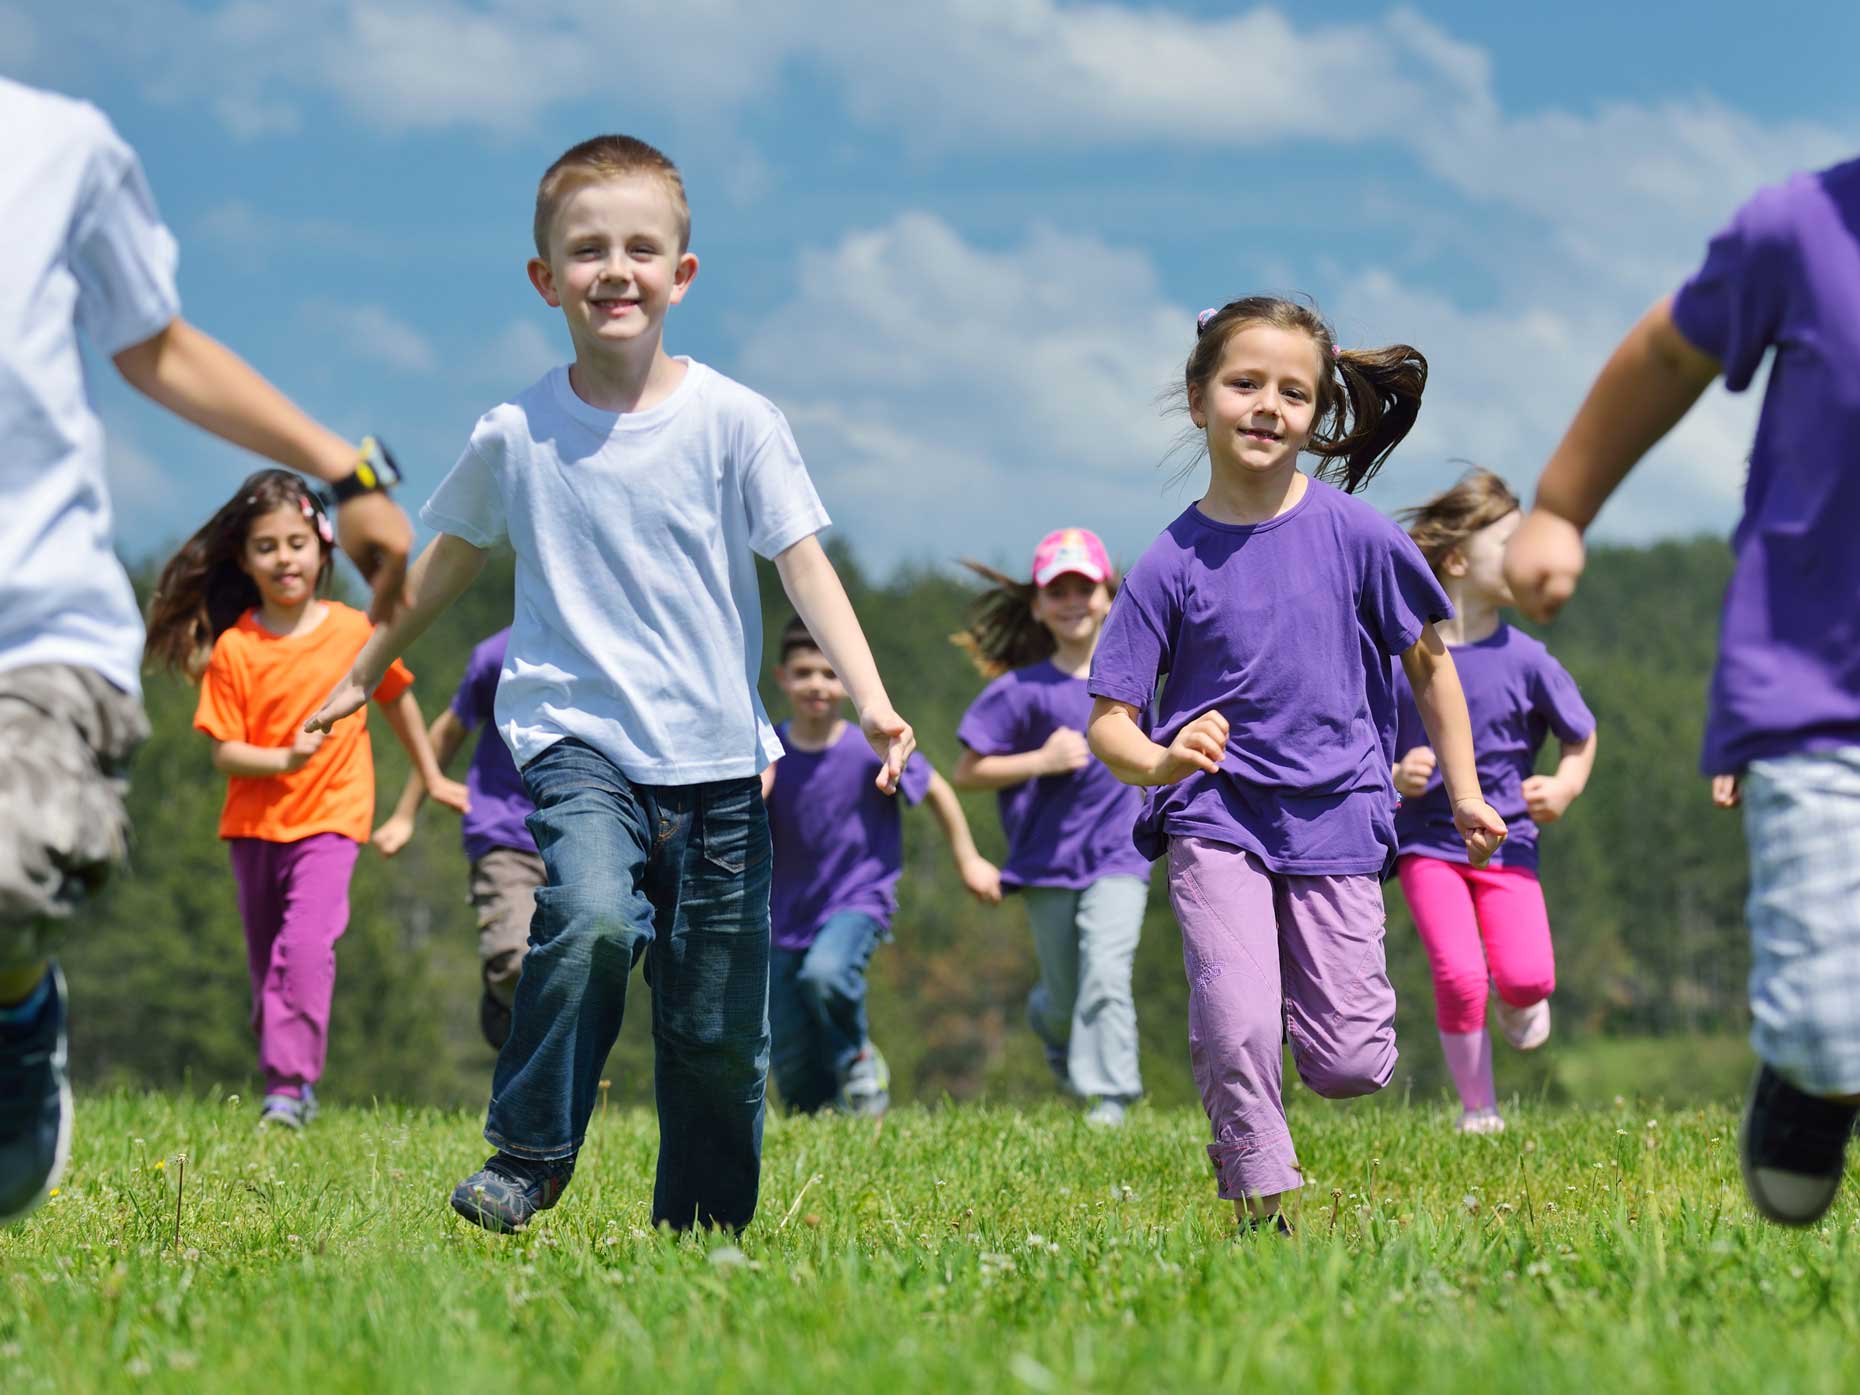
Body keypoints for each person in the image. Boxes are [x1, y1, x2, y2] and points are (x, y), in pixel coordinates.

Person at [305, 134, 914, 1235]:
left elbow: (801, 562)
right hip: (576, 737)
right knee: (586, 918)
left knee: (717, 1024)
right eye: (588, 251)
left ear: (683, 273)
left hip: (722, 757)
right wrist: (359, 671)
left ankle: (702, 1230)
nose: (615, 270)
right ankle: (529, 1153)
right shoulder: (516, 432)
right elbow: (448, 558)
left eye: (642, 249)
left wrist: (871, 700)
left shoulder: (737, 421)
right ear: (546, 279)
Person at [0, 78, 414, 1223]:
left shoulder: (54, 145)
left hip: (30, 622)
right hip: (257, 820)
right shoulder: (236, 648)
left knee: (6, 874)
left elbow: (159, 345)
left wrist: (350, 472)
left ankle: (20, 1012)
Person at [1085, 297, 1506, 1234]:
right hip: (1215, 815)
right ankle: (1260, 1205)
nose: (1268, 404)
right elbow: (1108, 721)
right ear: (1199, 400)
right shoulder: (1168, 562)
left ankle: (1289, 1024)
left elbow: (1430, 667)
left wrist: (1467, 789)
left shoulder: (1357, 534)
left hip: (1338, 814)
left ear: (1317, 415)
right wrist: (1160, 759)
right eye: (1245, 384)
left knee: (1350, 1061)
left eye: (1294, 391)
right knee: (1237, 1024)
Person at [1504, 155, 1860, 1227]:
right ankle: (1810, 1072)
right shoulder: (1800, 229)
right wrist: (1562, 506)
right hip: (1818, 693)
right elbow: (1669, 350)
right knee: (1833, 1024)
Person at [145, 471, 465, 1127]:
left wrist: (429, 777)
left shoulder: (354, 630)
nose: (285, 557)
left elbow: (397, 696)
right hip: (254, 825)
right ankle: (289, 1082)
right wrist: (283, 757)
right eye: (267, 546)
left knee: (305, 950)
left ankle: (288, 1089)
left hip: (332, 819)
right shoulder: (235, 647)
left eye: (297, 542)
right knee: (269, 963)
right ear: (245, 559)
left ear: (324, 548)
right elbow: (224, 751)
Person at [1389, 469, 1597, 1135]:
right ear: (1455, 559)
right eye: (1507, 542)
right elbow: (1363, 741)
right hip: (1427, 844)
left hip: (1511, 846)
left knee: (1529, 977)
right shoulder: (1405, 659)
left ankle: (1520, 996)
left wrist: (1563, 786)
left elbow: (1581, 736)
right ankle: (1478, 1108)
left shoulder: (1530, 660)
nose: (1524, 557)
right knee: (1457, 973)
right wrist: (1396, 774)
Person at [952, 528, 1152, 1127]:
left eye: (1084, 589)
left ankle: (1110, 1097)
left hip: (1121, 857)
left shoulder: (1136, 681)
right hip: (1045, 863)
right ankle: (1050, 1018)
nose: (1072, 602)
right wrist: (1040, 760)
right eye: (1057, 591)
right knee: (1067, 997)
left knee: (1107, 974)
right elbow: (968, 771)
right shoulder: (1018, 691)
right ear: (1038, 605)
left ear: (1110, 597)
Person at [764, 618, 1000, 1117]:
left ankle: (860, 1058)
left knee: (825, 977)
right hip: (782, 915)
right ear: (783, 677)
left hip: (856, 900)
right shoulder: (771, 754)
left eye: (830, 674)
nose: (817, 685)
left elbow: (936, 789)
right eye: (804, 672)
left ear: (848, 684)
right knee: (791, 1057)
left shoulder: (865, 748)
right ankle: (827, 1131)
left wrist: (968, 858)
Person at [374, 626, 541, 1051]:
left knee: (576, 964)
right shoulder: (498, 655)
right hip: (504, 832)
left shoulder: (616, 646)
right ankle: (503, 993)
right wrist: (405, 813)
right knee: (519, 960)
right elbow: (449, 730)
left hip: (587, 833)